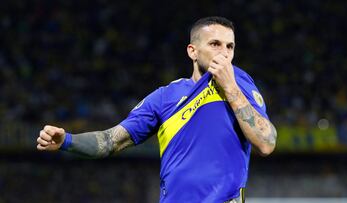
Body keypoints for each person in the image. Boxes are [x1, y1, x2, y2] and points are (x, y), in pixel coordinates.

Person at [36, 16, 277, 203]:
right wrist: (67, 140)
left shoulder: (240, 82)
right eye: (215, 44)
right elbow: (111, 141)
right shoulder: (164, 98)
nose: (224, 53)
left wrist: (230, 88)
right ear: (192, 51)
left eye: (230, 46)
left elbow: (266, 143)